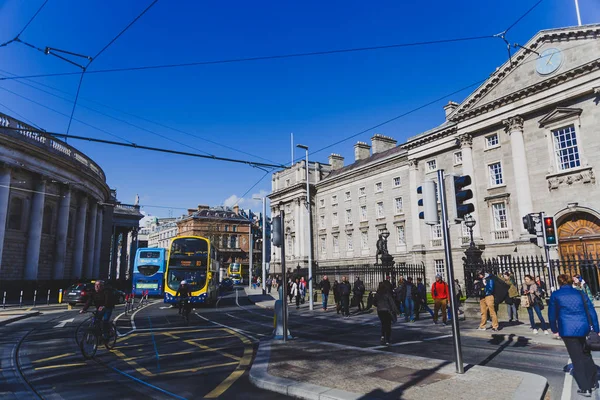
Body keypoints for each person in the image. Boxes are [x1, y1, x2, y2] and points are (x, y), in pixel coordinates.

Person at [549, 274, 600, 397]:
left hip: (567, 330)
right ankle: (593, 381)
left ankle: (585, 387)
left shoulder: (555, 295)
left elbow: (552, 315)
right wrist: (597, 329)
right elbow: (591, 311)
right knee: (586, 355)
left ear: (559, 283)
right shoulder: (580, 293)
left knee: (577, 359)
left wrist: (554, 329)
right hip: (583, 328)